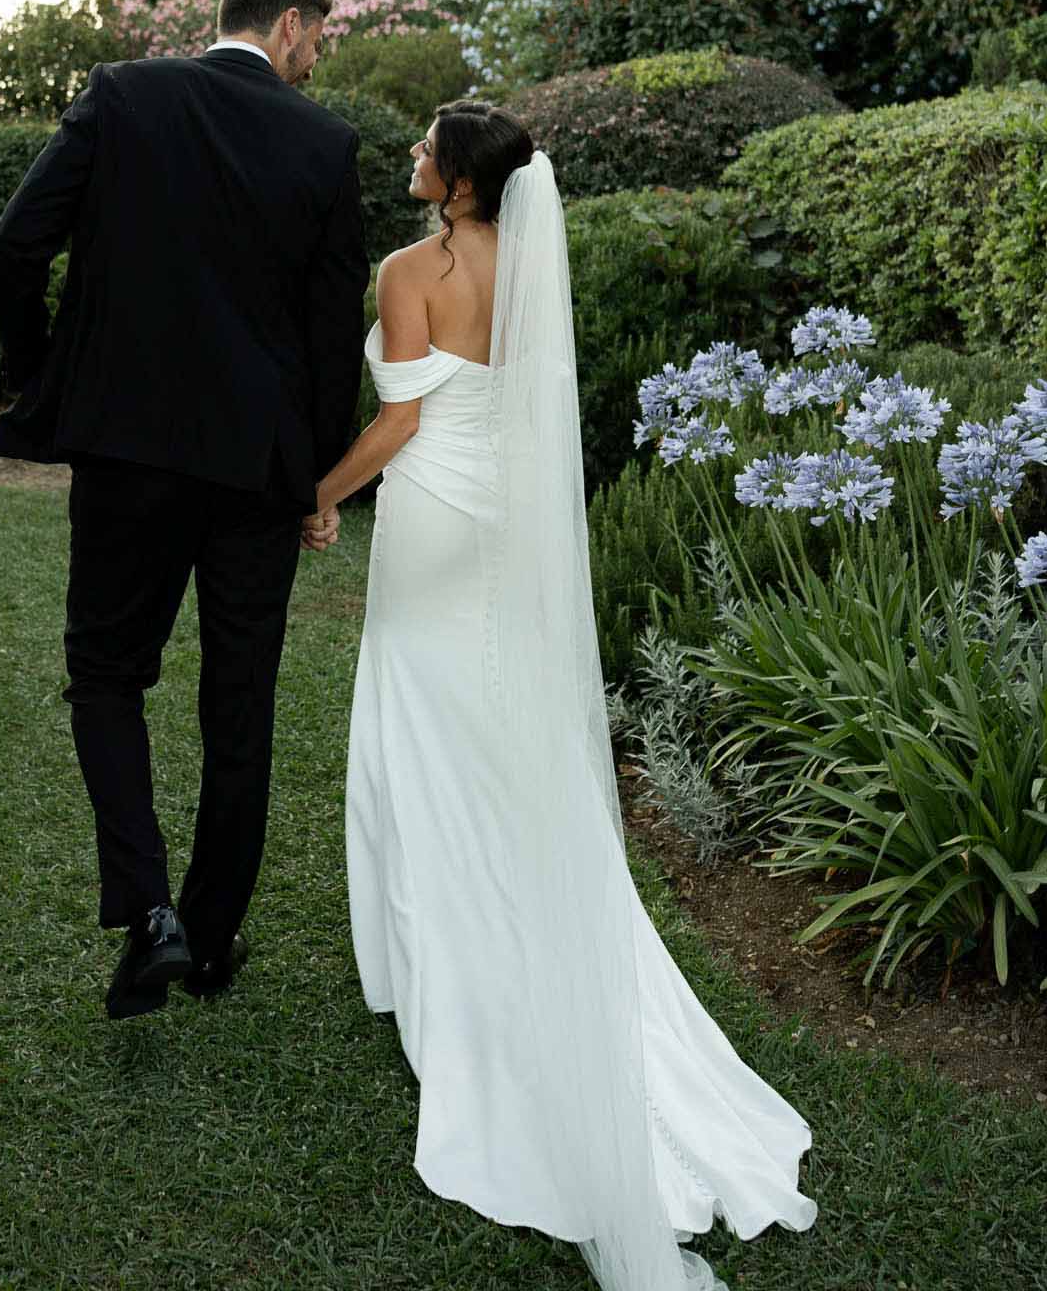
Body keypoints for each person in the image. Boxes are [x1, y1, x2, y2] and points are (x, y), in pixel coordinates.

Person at [309, 101, 817, 1291]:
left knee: (422, 739)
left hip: (431, 521)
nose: (414, 159)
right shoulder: (528, 264)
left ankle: (447, 964)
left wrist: (321, 494)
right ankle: (506, 927)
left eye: (428, 149)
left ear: (460, 182)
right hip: (503, 529)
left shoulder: (407, 269)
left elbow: (399, 419)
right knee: (493, 741)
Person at [0, 0, 369, 1019]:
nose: (314, 57)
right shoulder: (325, 143)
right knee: (238, 705)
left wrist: (46, 378)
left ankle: (148, 909)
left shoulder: (125, 94)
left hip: (126, 454)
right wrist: (315, 477)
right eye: (317, 38)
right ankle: (205, 940)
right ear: (289, 25)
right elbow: (333, 339)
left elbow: (16, 244)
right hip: (255, 473)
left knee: (107, 673)